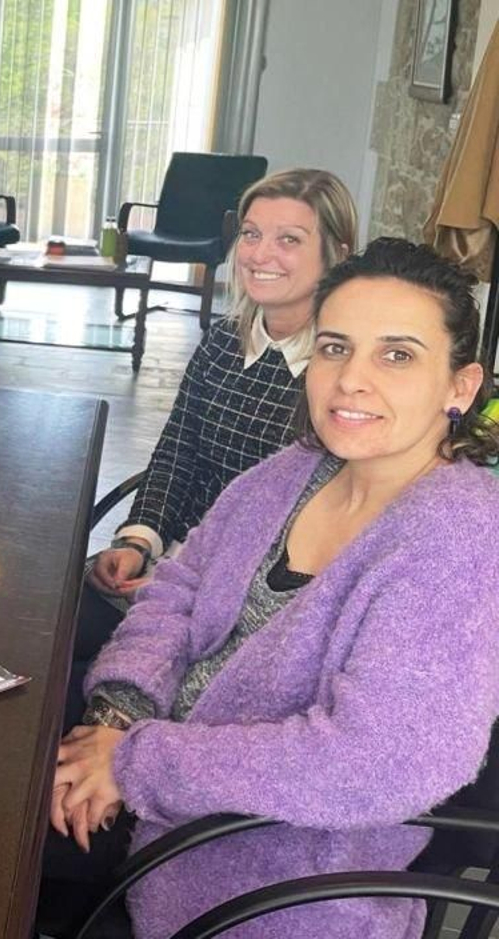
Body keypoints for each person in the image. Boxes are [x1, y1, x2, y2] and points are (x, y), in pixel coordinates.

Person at [42, 238, 499, 939]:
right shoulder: (293, 471)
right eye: (336, 347)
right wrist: (118, 712)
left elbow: (374, 762)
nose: (351, 380)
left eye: (397, 355)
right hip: (156, 793)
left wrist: (136, 763)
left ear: (460, 387)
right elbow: (176, 591)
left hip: (258, 881)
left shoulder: (459, 537)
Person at [75, 168, 358, 676]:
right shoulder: (223, 342)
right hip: (173, 566)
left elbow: (303, 533)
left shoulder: (341, 376)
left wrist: (190, 584)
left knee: (75, 685)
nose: (259, 254)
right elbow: (177, 453)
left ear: (336, 251)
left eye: (288, 239)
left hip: (244, 607)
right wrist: (138, 541)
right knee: (43, 630)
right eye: (251, 234)